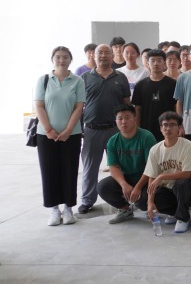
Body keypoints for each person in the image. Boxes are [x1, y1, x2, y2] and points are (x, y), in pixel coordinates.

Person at [35, 46, 86, 225]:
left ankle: (69, 208)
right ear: (52, 59)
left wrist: (68, 130)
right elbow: (39, 106)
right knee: (49, 171)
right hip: (45, 135)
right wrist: (49, 130)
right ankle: (54, 209)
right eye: (58, 57)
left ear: (71, 60)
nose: (61, 60)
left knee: (69, 170)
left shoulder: (78, 81)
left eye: (65, 57)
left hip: (71, 134)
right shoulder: (43, 80)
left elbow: (79, 107)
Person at [79, 44, 131, 214]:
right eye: (99, 52)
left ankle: (122, 199)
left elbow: (126, 104)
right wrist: (78, 128)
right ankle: (87, 200)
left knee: (119, 166)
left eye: (107, 52)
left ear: (112, 56)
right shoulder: (84, 78)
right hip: (91, 130)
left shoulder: (120, 77)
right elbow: (78, 106)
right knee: (90, 168)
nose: (103, 55)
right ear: (94, 56)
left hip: (115, 130)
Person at [97, 104, 156, 224]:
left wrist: (138, 187)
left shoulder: (146, 137)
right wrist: (123, 184)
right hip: (126, 178)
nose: (123, 122)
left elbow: (151, 167)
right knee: (103, 187)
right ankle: (125, 210)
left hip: (145, 179)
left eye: (127, 117)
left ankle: (147, 206)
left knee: (142, 201)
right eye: (120, 118)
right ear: (116, 121)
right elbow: (113, 167)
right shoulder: (112, 141)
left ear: (135, 118)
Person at [142, 111, 191, 233]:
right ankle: (174, 213)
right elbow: (152, 177)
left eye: (172, 125)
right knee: (143, 200)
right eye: (165, 125)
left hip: (183, 189)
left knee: (182, 183)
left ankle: (183, 218)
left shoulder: (187, 145)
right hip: (166, 189)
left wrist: (162, 176)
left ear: (179, 128)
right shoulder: (155, 150)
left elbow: (187, 173)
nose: (168, 128)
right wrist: (150, 202)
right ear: (161, 128)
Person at [132, 49, 177, 142]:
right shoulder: (140, 85)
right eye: (152, 61)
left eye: (159, 60)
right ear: (147, 63)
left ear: (164, 63)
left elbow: (176, 106)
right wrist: (137, 128)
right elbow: (138, 109)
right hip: (146, 128)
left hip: (168, 128)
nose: (156, 63)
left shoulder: (173, 84)